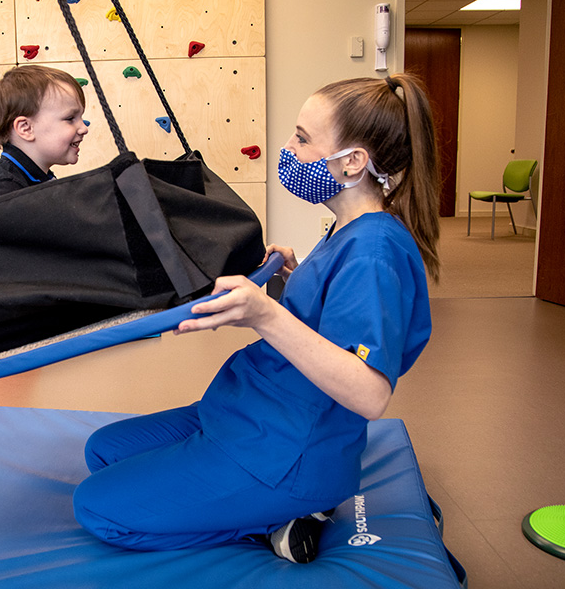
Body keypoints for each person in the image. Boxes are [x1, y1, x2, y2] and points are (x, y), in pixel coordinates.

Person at [72, 73, 440, 564]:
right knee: (103, 451)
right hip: (249, 412)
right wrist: (289, 281)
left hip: (286, 452)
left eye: (303, 139)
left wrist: (265, 314)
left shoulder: (374, 249)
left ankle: (279, 519)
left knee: (98, 509)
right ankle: (264, 503)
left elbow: (370, 393)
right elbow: (327, 322)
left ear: (352, 162)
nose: (288, 148)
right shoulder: (346, 228)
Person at [0, 65, 88, 206]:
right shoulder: (1, 193)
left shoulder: (37, 178)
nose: (84, 128)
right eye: (70, 118)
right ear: (26, 128)